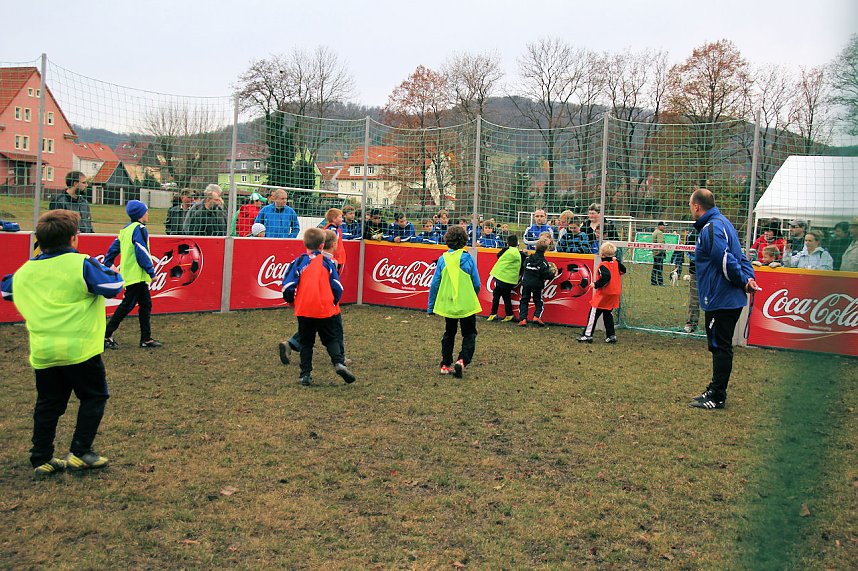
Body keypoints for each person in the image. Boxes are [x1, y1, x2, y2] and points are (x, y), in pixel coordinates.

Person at [1, 210, 124, 475]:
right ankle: (80, 452)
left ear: (39, 241)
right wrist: (113, 272)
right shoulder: (81, 264)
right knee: (94, 397)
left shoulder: (27, 270)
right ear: (73, 238)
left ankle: (41, 457)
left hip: (44, 352)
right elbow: (113, 287)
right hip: (80, 350)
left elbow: (6, 290)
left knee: (48, 403)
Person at [687, 189, 758, 411]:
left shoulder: (712, 227)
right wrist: (749, 278)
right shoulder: (724, 223)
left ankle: (718, 395)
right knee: (719, 345)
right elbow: (741, 257)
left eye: (691, 206)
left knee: (720, 347)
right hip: (726, 297)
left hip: (721, 297)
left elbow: (725, 260)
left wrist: (743, 281)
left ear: (697, 206)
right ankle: (714, 389)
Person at [281, 227, 355, 386]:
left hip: (304, 309)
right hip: (325, 309)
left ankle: (305, 374)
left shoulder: (298, 262)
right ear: (322, 245)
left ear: (304, 243)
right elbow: (337, 287)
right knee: (331, 338)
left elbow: (288, 285)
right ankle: (338, 363)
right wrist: (333, 301)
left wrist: (290, 300)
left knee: (306, 342)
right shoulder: (328, 263)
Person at [103, 200, 162, 350]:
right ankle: (106, 335)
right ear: (141, 214)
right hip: (137, 275)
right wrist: (151, 271)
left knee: (145, 304)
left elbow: (112, 250)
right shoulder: (140, 229)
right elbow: (141, 251)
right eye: (146, 211)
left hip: (132, 275)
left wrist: (110, 264)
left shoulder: (126, 230)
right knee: (127, 305)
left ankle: (146, 338)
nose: (147, 213)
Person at [427, 226, 482, 378]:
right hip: (466, 304)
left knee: (449, 333)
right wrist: (473, 296)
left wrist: (431, 306)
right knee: (469, 333)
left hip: (449, 303)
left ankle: (445, 364)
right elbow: (477, 283)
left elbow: (435, 284)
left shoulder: (442, 259)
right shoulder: (468, 259)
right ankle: (462, 361)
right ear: (464, 241)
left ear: (448, 241)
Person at [577, 242, 626, 343]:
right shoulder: (616, 263)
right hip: (615, 293)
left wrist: (596, 284)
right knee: (608, 313)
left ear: (602, 254)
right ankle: (611, 336)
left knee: (593, 313)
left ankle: (587, 335)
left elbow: (606, 278)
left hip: (604, 293)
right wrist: (616, 261)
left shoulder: (603, 265)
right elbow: (623, 270)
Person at [517, 238, 556, 327]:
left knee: (524, 300)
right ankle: (536, 316)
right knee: (538, 301)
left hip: (526, 283)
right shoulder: (543, 262)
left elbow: (524, 266)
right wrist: (553, 274)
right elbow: (546, 275)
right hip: (537, 284)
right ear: (545, 250)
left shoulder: (528, 259)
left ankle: (523, 319)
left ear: (535, 247)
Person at [487, 234, 524, 322]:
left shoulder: (507, 250)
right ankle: (509, 314)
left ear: (507, 243)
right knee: (506, 295)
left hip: (502, 277)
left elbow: (498, 255)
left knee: (497, 295)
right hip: (510, 279)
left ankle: (493, 313)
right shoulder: (517, 253)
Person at [683, 228, 700, 334]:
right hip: (695, 270)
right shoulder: (694, 233)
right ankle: (691, 323)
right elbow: (688, 249)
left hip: (711, 270)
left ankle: (714, 324)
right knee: (694, 298)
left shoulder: (714, 230)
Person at [650, 221, 666, 286]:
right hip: (659, 252)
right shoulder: (659, 233)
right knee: (659, 268)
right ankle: (660, 282)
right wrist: (663, 251)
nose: (664, 227)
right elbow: (660, 243)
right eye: (663, 225)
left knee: (655, 268)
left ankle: (653, 281)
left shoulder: (655, 232)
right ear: (660, 226)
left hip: (655, 252)